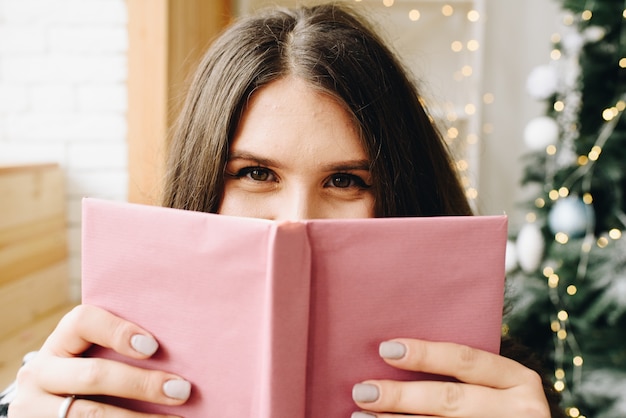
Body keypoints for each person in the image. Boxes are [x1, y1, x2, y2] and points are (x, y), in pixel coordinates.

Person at [2, 3, 565, 417]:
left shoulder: (500, 398)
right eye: (256, 174)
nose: (297, 220)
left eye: (346, 181)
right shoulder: (101, 374)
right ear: (203, 185)